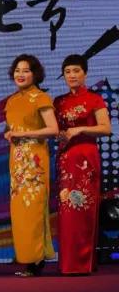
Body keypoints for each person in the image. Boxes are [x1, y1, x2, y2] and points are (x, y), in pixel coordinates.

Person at [54, 54, 111, 275]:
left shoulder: (94, 99)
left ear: (85, 73)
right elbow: (56, 130)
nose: (72, 75)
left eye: (76, 71)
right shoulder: (59, 101)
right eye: (67, 72)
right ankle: (68, 264)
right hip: (65, 159)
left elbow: (105, 128)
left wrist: (79, 129)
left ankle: (84, 263)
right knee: (67, 211)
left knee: (84, 209)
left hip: (86, 159)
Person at [4, 54, 58, 277]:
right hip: (17, 161)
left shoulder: (41, 97)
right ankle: (27, 256)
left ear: (35, 74)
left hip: (35, 162)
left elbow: (53, 129)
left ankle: (36, 260)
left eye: (26, 70)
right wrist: (11, 134)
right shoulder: (12, 100)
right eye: (17, 70)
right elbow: (13, 128)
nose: (20, 74)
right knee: (19, 212)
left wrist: (23, 134)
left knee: (33, 210)